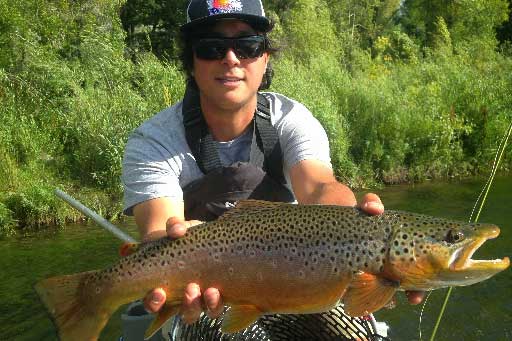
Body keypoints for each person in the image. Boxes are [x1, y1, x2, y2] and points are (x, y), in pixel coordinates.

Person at [121, 0, 424, 338]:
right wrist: (166, 249)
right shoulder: (154, 140)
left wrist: (360, 233)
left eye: (247, 46)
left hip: (304, 280)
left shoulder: (291, 120)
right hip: (204, 292)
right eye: (211, 47)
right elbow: (160, 228)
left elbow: (320, 185)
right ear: (191, 62)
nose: (231, 59)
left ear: (265, 58)